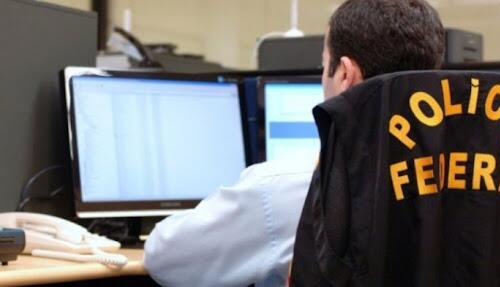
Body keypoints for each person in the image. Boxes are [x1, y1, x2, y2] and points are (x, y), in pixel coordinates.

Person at [143, 0, 445, 286]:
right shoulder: (474, 183)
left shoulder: (289, 187)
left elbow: (164, 258)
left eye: (323, 65)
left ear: (345, 74)